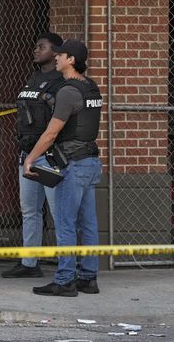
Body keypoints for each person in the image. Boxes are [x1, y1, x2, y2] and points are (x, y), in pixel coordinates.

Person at [23, 39, 103, 297]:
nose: (56, 58)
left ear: (71, 60)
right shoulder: (91, 87)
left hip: (74, 164)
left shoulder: (68, 92)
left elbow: (51, 133)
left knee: (66, 223)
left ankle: (65, 279)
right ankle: (88, 277)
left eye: (61, 54)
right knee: (88, 223)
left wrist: (30, 159)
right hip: (90, 162)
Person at [2, 33, 64, 279]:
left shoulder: (61, 81)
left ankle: (67, 265)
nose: (36, 50)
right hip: (28, 152)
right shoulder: (34, 78)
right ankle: (30, 263)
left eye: (42, 47)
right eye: (36, 46)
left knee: (59, 212)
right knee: (29, 210)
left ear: (55, 52)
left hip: (50, 155)